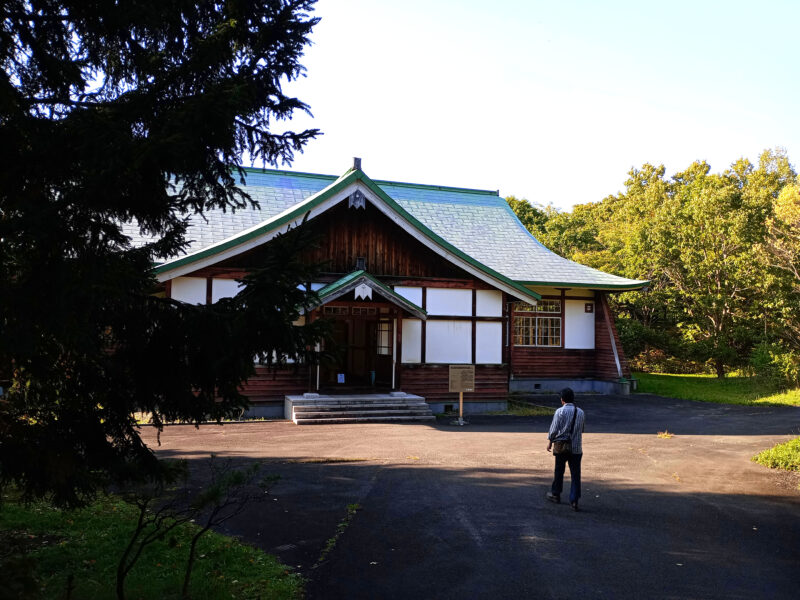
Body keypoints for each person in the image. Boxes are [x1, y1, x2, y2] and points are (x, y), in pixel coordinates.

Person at [546, 387, 585, 511]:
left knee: (559, 471)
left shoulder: (560, 412)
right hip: (576, 448)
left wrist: (550, 442)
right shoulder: (580, 412)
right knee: (575, 474)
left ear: (562, 400)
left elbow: (554, 429)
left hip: (561, 447)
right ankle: (574, 500)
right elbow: (582, 430)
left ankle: (556, 494)